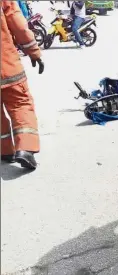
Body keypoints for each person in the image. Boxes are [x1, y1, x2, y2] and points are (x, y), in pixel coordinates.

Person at [1, 1, 44, 169]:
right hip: (7, 66)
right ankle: (25, 149)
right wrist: (34, 52)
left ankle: (5, 151)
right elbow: (18, 24)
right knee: (21, 104)